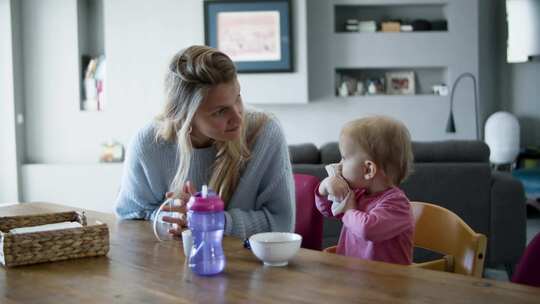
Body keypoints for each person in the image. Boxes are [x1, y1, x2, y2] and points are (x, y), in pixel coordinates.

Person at [115, 45, 295, 239]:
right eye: (220, 111)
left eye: (238, 98)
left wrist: (217, 221)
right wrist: (173, 218)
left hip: (249, 264)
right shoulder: (148, 145)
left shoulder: (265, 133)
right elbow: (129, 218)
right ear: (186, 116)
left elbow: (282, 224)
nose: (237, 117)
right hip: (171, 264)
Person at [316, 116, 415, 265]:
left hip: (388, 282)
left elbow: (368, 229)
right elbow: (328, 210)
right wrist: (324, 187)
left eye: (344, 158)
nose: (340, 164)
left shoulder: (397, 204)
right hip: (353, 277)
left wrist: (349, 210)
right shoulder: (358, 193)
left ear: (368, 169)